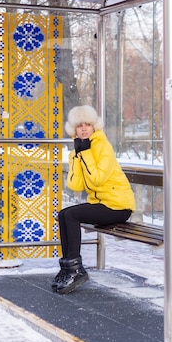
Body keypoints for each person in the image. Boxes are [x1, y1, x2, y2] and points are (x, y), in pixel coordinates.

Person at [52, 105, 136, 295]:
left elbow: (98, 179)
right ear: (74, 129)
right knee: (64, 214)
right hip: (101, 204)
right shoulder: (81, 149)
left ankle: (76, 271)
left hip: (118, 206)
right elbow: (75, 185)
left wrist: (87, 153)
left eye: (87, 125)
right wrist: (76, 156)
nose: (83, 129)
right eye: (79, 125)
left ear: (94, 127)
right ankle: (67, 267)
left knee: (72, 215)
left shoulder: (102, 146)